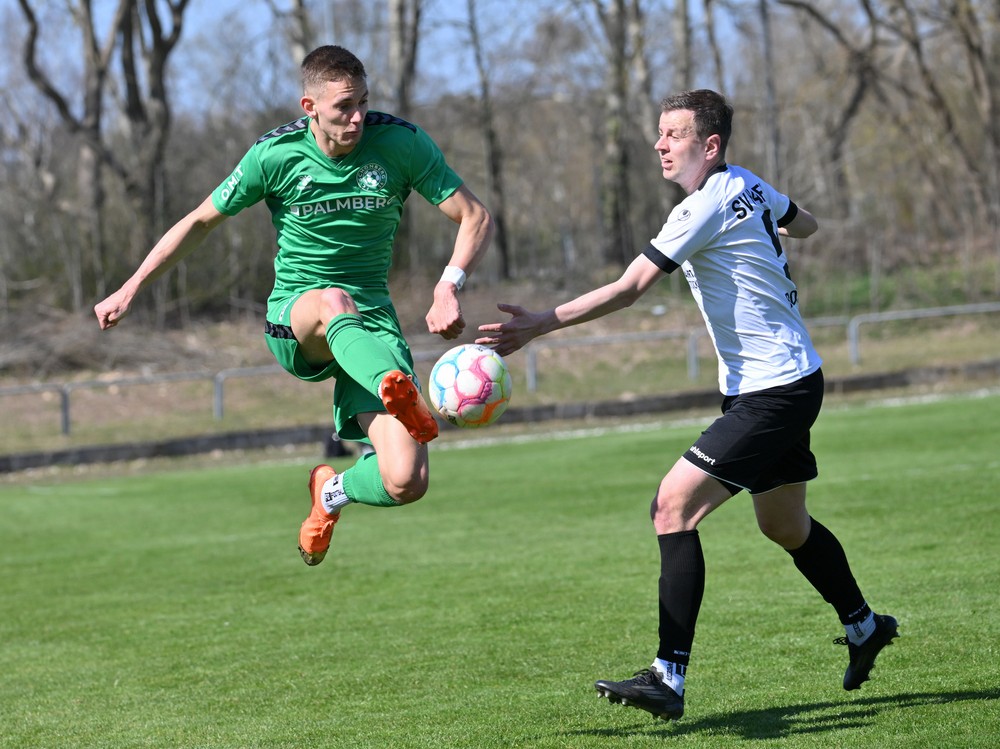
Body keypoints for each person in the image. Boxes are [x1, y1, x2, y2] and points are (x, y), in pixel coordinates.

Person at [476, 89, 897, 720]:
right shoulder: (746, 184)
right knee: (784, 526)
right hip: (785, 379)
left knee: (671, 508)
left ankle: (667, 677)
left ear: (710, 145)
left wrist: (540, 324)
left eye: (673, 134)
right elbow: (805, 223)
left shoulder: (704, 205)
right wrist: (771, 224)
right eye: (660, 132)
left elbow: (630, 288)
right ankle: (864, 626)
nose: (659, 144)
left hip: (773, 391)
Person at [95, 45, 494, 567]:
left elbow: (474, 216)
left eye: (363, 102)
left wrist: (447, 286)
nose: (358, 117)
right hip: (298, 317)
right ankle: (393, 389)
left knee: (406, 480)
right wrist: (131, 286)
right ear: (311, 107)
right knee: (333, 299)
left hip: (370, 323)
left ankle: (330, 492)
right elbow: (198, 222)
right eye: (344, 107)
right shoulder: (275, 154)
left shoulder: (401, 143)